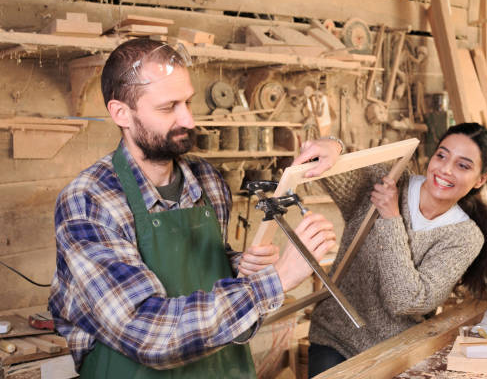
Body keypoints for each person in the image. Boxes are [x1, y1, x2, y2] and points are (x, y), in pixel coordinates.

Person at [48, 38, 337, 378]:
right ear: (121, 113)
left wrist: (238, 266)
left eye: (187, 101)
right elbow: (148, 334)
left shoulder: (207, 181)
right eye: (168, 107)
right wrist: (277, 279)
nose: (187, 119)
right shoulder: (89, 201)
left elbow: (198, 277)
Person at [292, 123, 487, 377]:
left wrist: (391, 217)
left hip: (397, 353)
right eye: (441, 155)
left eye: (463, 165)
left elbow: (407, 300)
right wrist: (333, 145)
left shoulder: (465, 236)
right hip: (334, 339)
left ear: (481, 179)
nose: (445, 169)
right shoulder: (387, 180)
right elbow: (325, 163)